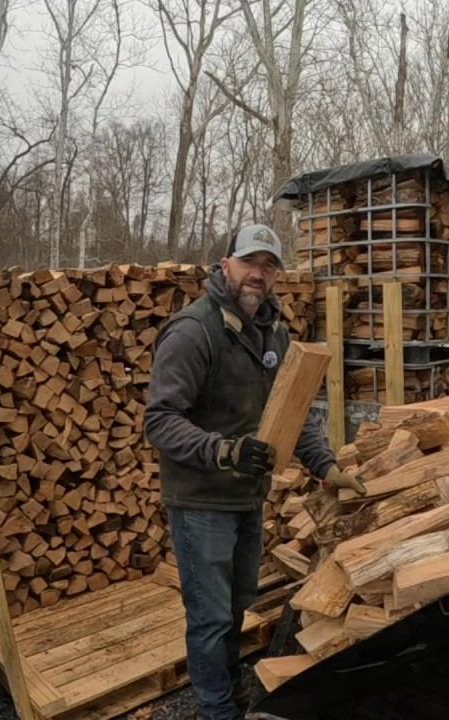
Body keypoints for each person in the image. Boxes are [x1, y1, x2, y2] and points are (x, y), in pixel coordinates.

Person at [144, 224, 366, 719]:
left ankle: (227, 689)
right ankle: (217, 710)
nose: (258, 275)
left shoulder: (273, 331)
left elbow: (296, 411)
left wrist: (328, 467)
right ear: (226, 265)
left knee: (238, 603)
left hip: (247, 496)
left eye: (269, 266)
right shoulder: (193, 331)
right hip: (202, 499)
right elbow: (159, 421)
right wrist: (225, 452)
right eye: (249, 262)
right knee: (209, 615)